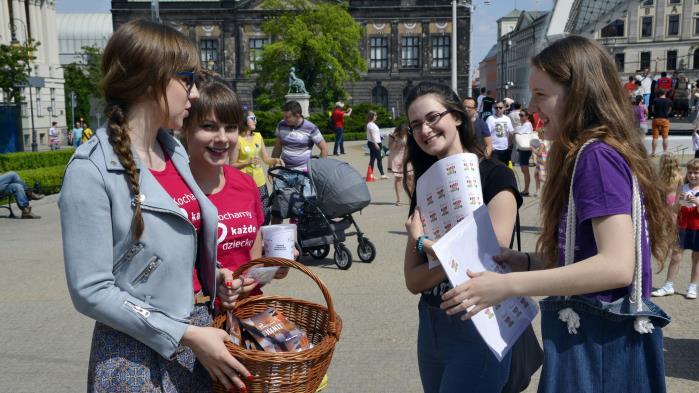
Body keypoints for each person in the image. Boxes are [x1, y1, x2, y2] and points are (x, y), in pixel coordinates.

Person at [439, 36, 674, 393]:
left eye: (541, 94)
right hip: (598, 345)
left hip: (597, 349)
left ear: (578, 93)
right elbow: (585, 255)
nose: (531, 105)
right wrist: (528, 261)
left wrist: (505, 286)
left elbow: (615, 266)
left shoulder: (594, 157)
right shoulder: (597, 152)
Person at [59, 20, 252, 392]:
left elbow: (162, 251)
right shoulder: (92, 168)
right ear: (152, 79)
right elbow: (90, 290)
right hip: (136, 355)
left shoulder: (173, 151)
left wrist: (212, 275)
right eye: (188, 79)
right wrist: (184, 334)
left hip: (197, 339)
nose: (195, 94)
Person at [402, 81, 522, 393]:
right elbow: (414, 281)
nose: (425, 130)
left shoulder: (496, 177)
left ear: (456, 116)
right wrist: (452, 256)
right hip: (431, 326)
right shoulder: (425, 188)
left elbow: (490, 257)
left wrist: (426, 246)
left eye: (432, 118)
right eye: (416, 125)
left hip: (478, 324)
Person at [270, 100, 327, 224]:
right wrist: (271, 168)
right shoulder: (281, 125)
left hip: (304, 173)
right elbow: (278, 147)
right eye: (284, 117)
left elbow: (324, 148)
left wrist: (318, 172)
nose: (284, 119)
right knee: (277, 208)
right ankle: (274, 240)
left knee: (306, 209)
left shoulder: (311, 128)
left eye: (287, 117)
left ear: (297, 115)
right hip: (284, 172)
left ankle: (304, 240)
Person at [652, 154, 694, 299]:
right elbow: (677, 203)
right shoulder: (681, 180)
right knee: (676, 252)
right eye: (691, 172)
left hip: (687, 219)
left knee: (695, 257)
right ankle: (669, 285)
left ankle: (692, 286)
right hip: (678, 214)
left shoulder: (665, 177)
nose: (693, 175)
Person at [230, 110, 283, 225]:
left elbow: (266, 159)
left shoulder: (258, 136)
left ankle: (262, 238)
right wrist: (247, 162)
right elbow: (231, 165)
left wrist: (276, 160)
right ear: (244, 120)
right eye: (252, 119)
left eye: (255, 118)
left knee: (265, 213)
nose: (256, 121)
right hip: (244, 182)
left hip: (260, 181)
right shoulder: (237, 140)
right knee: (248, 211)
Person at [388, 123, 412, 205]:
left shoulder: (409, 134)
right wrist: (395, 139)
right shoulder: (392, 134)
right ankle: (399, 199)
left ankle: (411, 197)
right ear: (399, 130)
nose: (403, 134)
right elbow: (390, 147)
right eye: (402, 132)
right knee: (398, 179)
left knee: (410, 178)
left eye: (404, 132)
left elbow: (408, 148)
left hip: (406, 156)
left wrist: (405, 160)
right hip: (396, 157)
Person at [513, 108, 534, 196]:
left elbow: (518, 132)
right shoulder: (525, 124)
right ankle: (526, 189)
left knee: (525, 170)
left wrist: (515, 131)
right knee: (524, 169)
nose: (520, 117)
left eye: (522, 115)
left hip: (525, 149)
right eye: (519, 115)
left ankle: (526, 190)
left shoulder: (527, 124)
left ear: (527, 116)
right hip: (523, 149)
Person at [486, 100, 514, 165]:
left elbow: (511, 132)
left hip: (505, 149)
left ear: (504, 108)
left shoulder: (507, 119)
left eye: (500, 107)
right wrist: (489, 146)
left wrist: (509, 144)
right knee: (494, 168)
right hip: (494, 149)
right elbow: (486, 134)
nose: (498, 109)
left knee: (505, 168)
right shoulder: (490, 119)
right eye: (496, 107)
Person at [651, 88, 672, 157]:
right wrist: (666, 113)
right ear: (665, 93)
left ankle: (653, 152)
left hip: (656, 119)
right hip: (665, 119)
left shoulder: (655, 100)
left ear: (659, 93)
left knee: (655, 137)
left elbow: (653, 110)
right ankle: (665, 152)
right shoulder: (669, 101)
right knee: (665, 137)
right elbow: (669, 110)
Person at [366, 110, 387, 179]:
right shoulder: (370, 124)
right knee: (376, 159)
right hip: (373, 143)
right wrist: (375, 144)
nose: (376, 116)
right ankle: (380, 174)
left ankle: (375, 174)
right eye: (375, 115)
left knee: (376, 158)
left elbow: (376, 133)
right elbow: (372, 135)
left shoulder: (373, 124)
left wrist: (381, 137)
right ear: (372, 116)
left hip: (377, 142)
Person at [531, 126, 549, 197]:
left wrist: (532, 149)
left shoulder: (542, 143)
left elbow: (539, 153)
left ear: (542, 134)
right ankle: (538, 191)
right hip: (541, 161)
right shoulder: (547, 141)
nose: (538, 136)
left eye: (539, 134)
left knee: (541, 177)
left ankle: (550, 185)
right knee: (536, 175)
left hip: (542, 162)